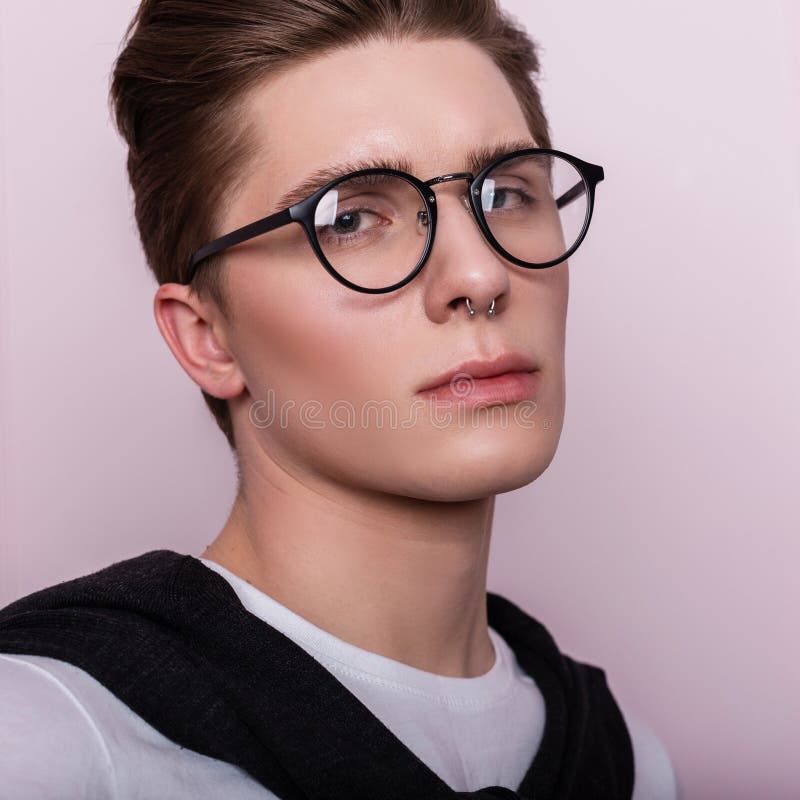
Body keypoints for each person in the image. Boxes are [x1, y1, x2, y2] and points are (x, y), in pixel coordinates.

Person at [0, 1, 679, 798]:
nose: (480, 276)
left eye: (505, 195)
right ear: (207, 336)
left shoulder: (628, 763)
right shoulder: (50, 738)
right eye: (354, 218)